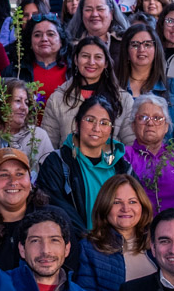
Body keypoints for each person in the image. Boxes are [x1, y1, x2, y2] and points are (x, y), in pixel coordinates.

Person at [36, 95, 133, 233]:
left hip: (117, 246)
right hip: (75, 246)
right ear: (77, 124)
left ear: (111, 130)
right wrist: (86, 241)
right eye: (90, 120)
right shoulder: (58, 162)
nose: (96, 128)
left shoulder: (122, 166)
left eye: (104, 123)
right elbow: (54, 207)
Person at [72, 173, 157, 291]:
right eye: (117, 202)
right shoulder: (89, 249)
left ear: (142, 206)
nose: (125, 208)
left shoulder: (157, 243)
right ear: (104, 206)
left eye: (132, 202)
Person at [41, 36, 136, 148]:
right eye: (85, 56)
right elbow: (47, 148)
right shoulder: (58, 98)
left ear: (106, 63)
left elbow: (131, 145)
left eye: (98, 57)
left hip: (109, 164)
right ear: (76, 60)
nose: (91, 62)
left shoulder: (122, 99)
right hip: (67, 163)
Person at [127, 94, 174, 214]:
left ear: (166, 127)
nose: (150, 123)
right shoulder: (125, 156)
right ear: (133, 125)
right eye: (143, 117)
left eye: (157, 118)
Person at [118, 23, 174, 138]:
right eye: (135, 45)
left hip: (163, 154)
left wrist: (171, 156)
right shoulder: (114, 86)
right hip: (121, 155)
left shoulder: (172, 87)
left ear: (156, 50)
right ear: (126, 52)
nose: (142, 49)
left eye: (147, 44)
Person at [0, 79, 54, 171]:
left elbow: (52, 175)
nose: (24, 107)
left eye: (26, 102)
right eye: (18, 101)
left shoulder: (38, 135)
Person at [5, 12, 70, 105]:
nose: (44, 39)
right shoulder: (15, 71)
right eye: (37, 35)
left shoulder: (73, 70)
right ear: (30, 42)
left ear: (61, 41)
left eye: (50, 34)